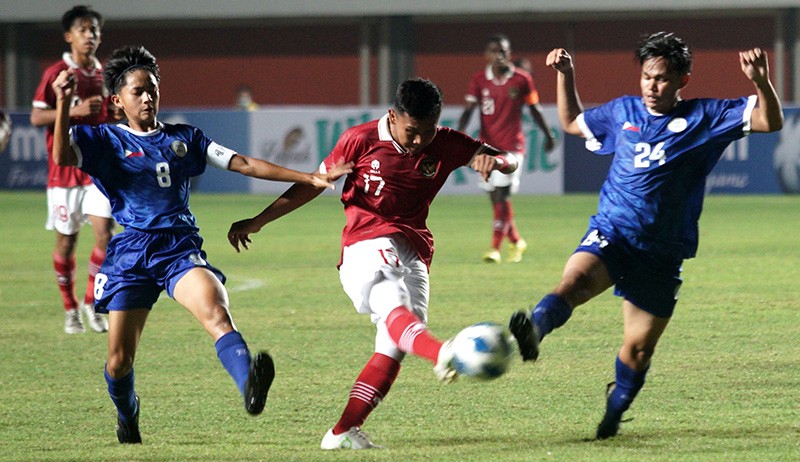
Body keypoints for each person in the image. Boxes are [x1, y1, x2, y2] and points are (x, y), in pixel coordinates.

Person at [49, 45, 352, 444]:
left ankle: (249, 384)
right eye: (138, 91)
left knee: (216, 311)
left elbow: (243, 163)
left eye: (152, 89)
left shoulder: (184, 138)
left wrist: (308, 177)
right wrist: (63, 102)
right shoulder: (105, 139)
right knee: (119, 362)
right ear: (117, 101)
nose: (148, 97)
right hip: (132, 253)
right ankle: (128, 413)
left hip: (178, 248)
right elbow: (62, 154)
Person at [508, 32, 783, 439]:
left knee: (638, 351)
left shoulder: (706, 116)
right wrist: (565, 74)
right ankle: (535, 329)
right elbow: (571, 123)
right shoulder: (623, 111)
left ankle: (614, 412)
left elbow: (769, 121)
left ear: (682, 80)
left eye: (662, 79)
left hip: (661, 251)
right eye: (647, 77)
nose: (652, 86)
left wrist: (761, 82)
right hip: (613, 231)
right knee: (575, 281)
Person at [228, 78, 519, 450]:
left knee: (396, 342)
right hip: (365, 240)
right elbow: (313, 183)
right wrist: (259, 220)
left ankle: (342, 432)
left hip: (414, 247)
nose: (419, 141)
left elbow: (509, 160)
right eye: (412, 132)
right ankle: (445, 353)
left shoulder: (446, 141)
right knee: (394, 306)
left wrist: (494, 159)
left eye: (427, 131)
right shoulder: (360, 139)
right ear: (393, 116)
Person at [31, 5, 114, 334]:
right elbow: (37, 117)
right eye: (83, 30)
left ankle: (91, 302)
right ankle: (70, 309)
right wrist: (74, 110)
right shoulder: (57, 73)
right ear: (69, 36)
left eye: (94, 30)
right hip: (64, 170)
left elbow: (107, 117)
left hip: (95, 169)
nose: (90, 35)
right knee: (67, 242)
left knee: (105, 235)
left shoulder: (105, 74)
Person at [457, 34, 556, 264]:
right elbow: (469, 110)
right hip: (486, 149)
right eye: (494, 51)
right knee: (495, 198)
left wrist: (548, 134)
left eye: (503, 50)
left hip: (513, 148)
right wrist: (458, 136)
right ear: (487, 55)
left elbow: (535, 108)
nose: (499, 55)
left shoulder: (522, 79)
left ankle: (494, 248)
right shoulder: (479, 79)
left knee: (502, 195)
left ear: (509, 53)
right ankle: (516, 240)